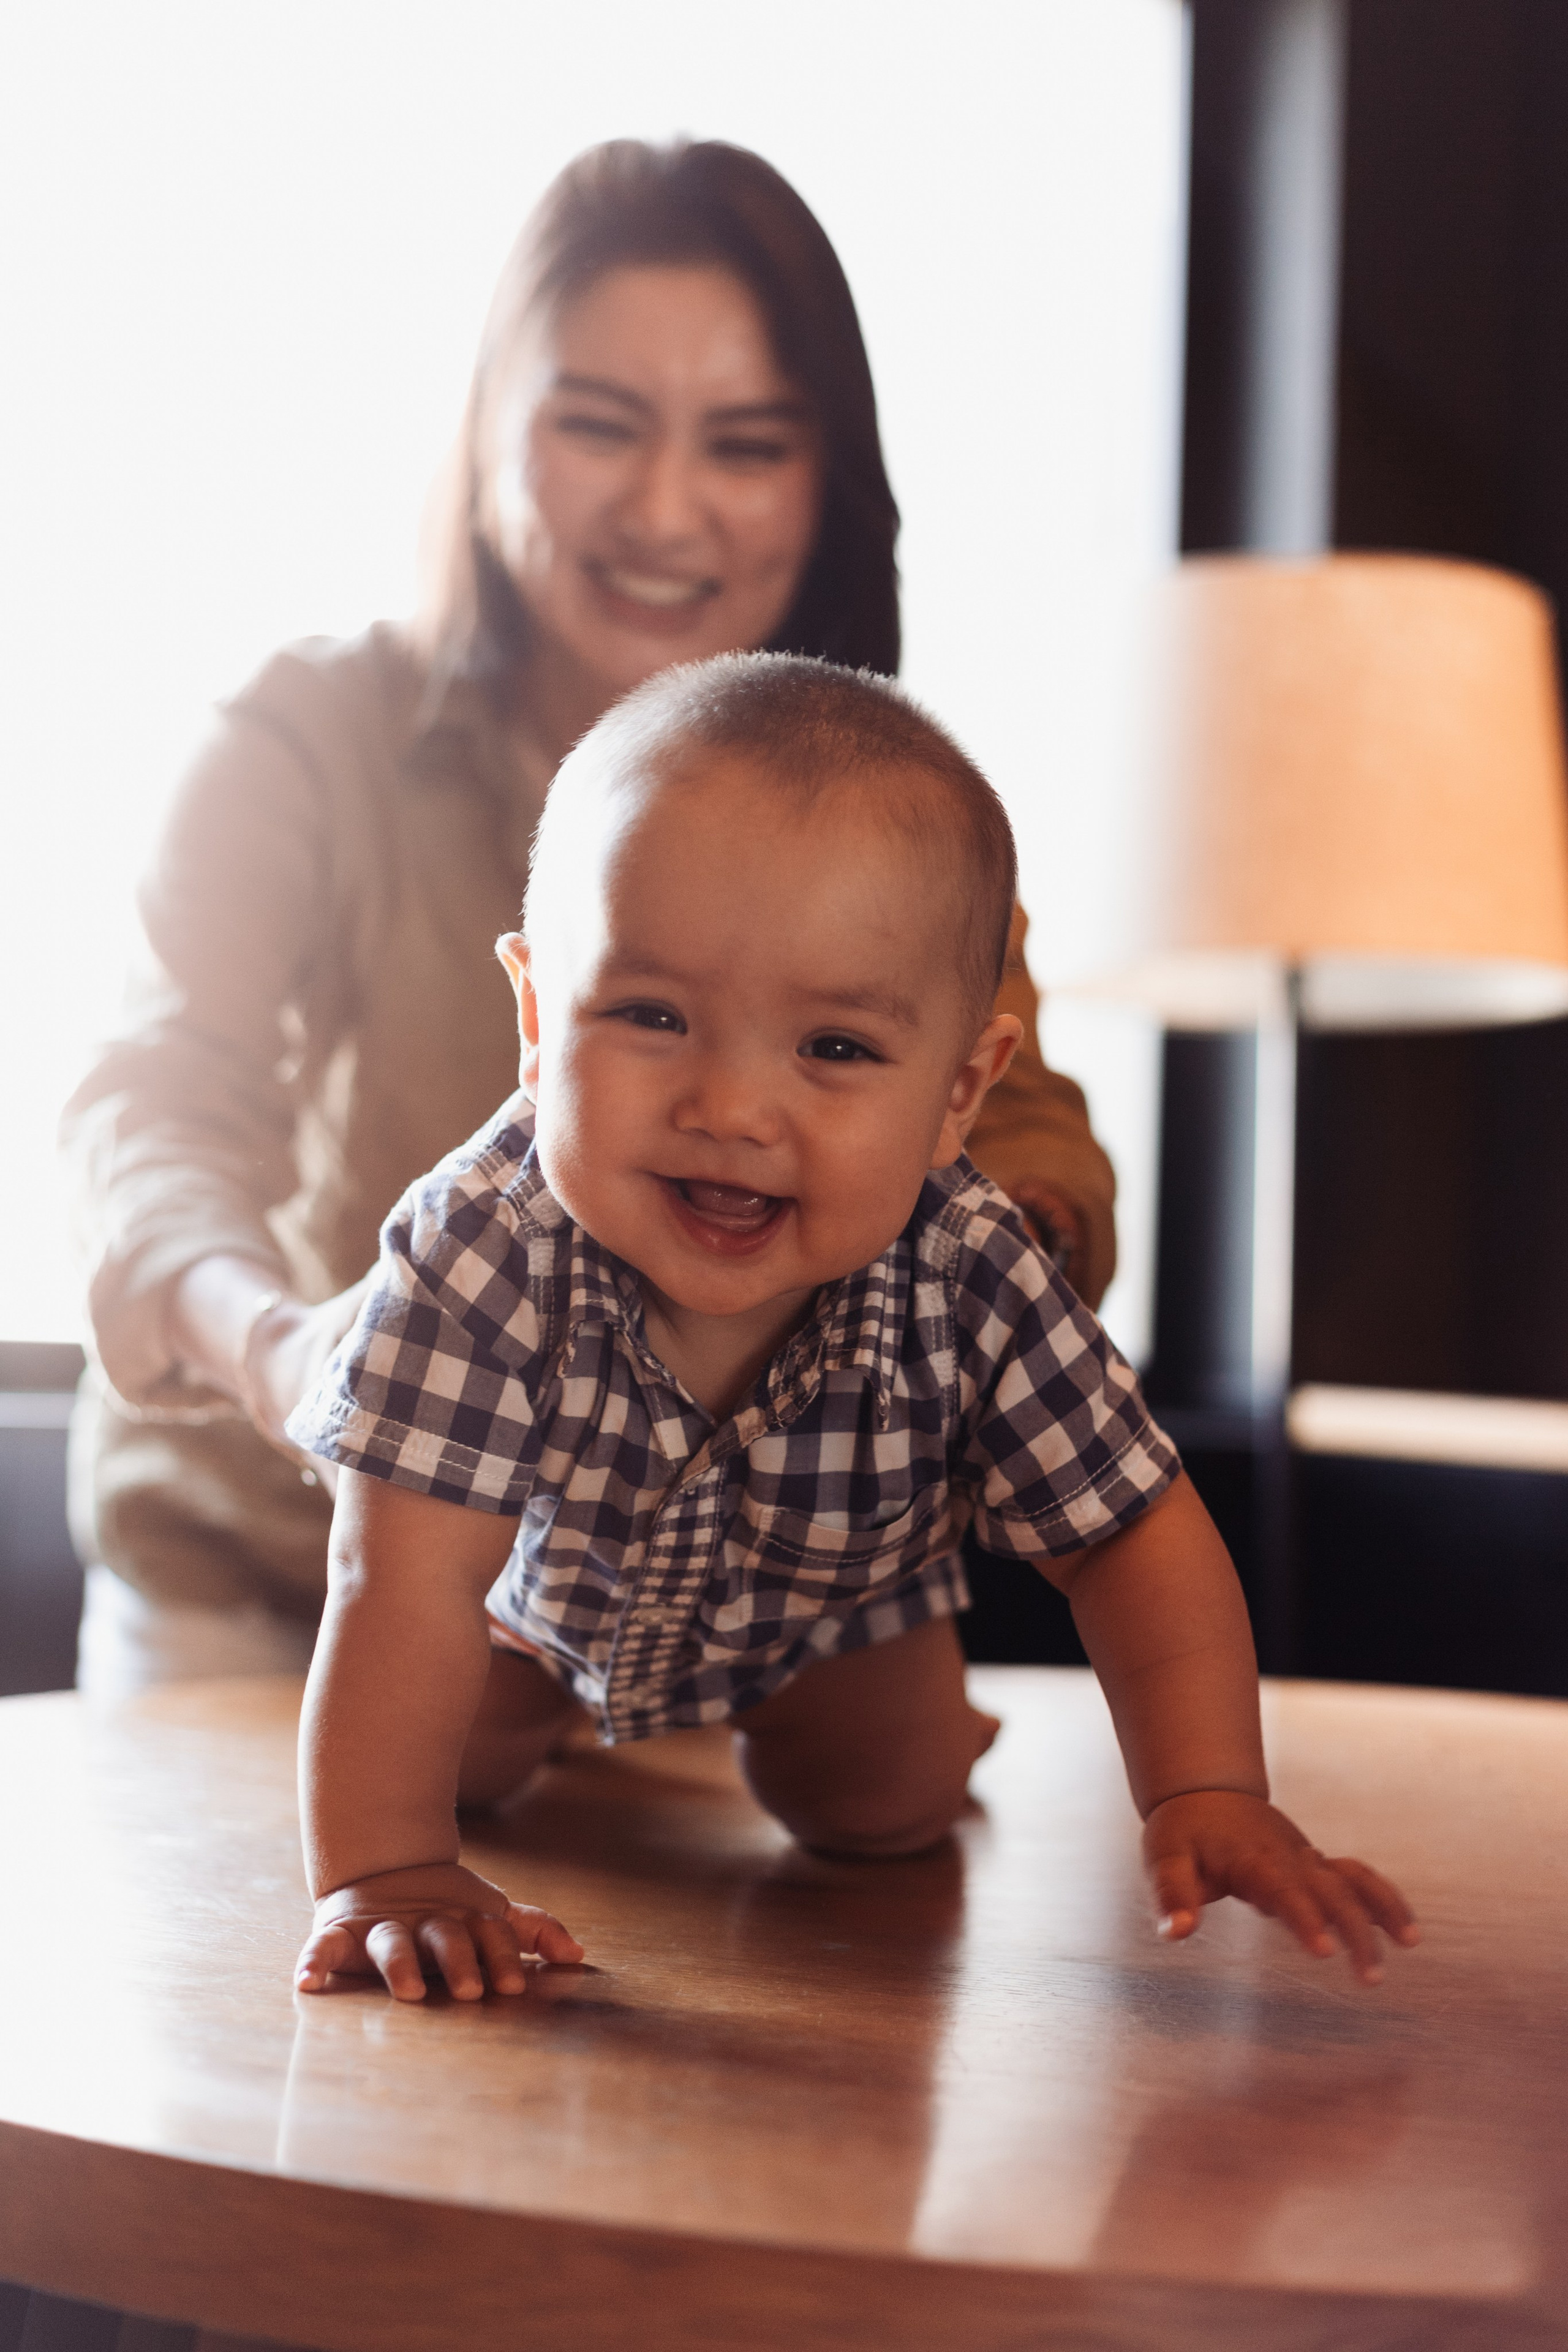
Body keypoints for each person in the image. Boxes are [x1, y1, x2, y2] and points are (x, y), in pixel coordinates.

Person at [61, 138, 1117, 1692]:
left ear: (827, 489)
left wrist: (979, 1269)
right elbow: (154, 1118)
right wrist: (286, 1354)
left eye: (747, 446)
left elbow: (1021, 1142)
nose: (665, 511)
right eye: (599, 426)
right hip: (271, 1596)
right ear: (490, 431)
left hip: (692, 1640)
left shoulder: (889, 816)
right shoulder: (303, 740)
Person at [287, 655, 1418, 2003]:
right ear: (537, 1018)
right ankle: (535, 1747)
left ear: (960, 1090)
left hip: (841, 1611)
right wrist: (387, 1872)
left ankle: (928, 1731)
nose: (731, 1107)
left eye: (832, 1048)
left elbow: (1128, 1535)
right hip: (537, 1610)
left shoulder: (974, 1260)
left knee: (884, 1810)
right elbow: (398, 1582)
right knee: (447, 1764)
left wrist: (1208, 1787)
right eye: (650, 1016)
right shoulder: (481, 1242)